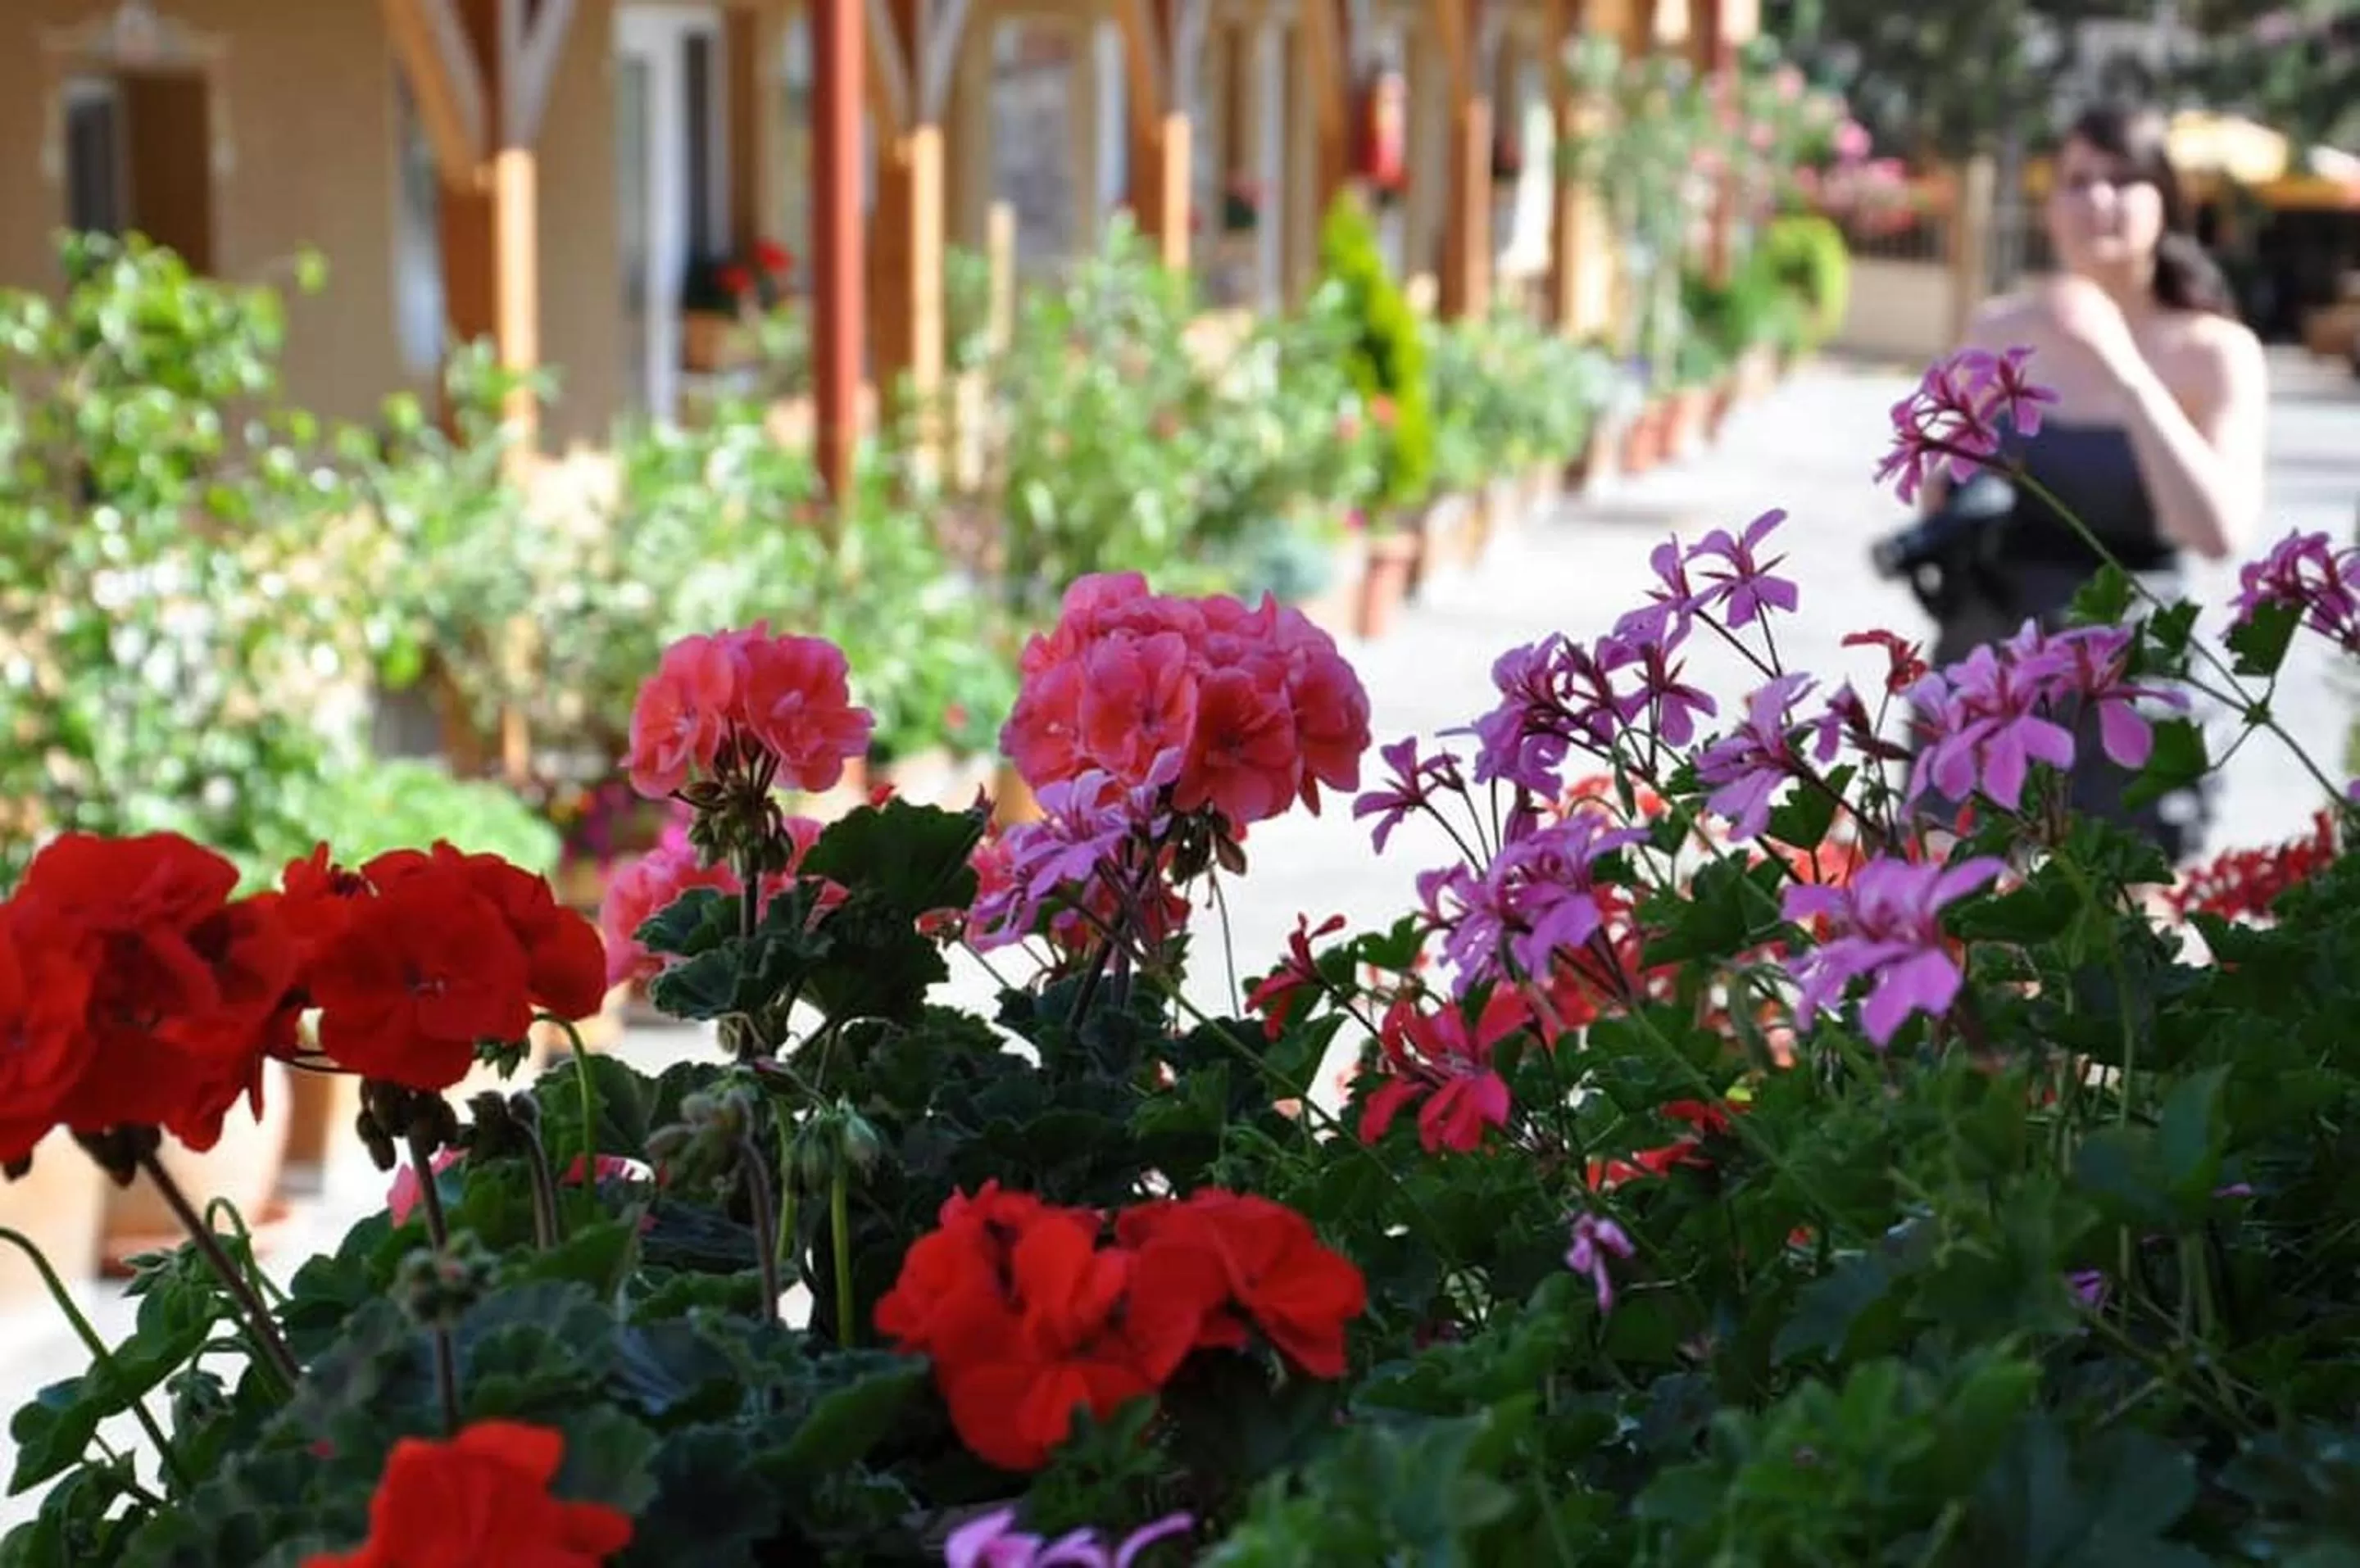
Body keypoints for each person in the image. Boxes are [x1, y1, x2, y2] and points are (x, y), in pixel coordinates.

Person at [1919, 103, 2270, 863]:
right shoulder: (1997, 327)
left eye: (2123, 179)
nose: (2099, 200)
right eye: (2078, 180)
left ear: (2167, 201)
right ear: (2051, 204)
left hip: (2131, 673)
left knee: (2127, 938)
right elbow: (1936, 492)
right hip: (1994, 661)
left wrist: (2124, 365)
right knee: (1966, 934)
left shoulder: (2217, 351)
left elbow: (2217, 531)